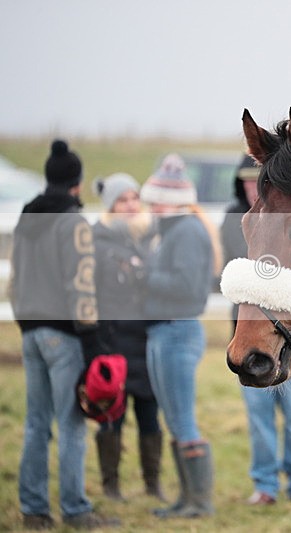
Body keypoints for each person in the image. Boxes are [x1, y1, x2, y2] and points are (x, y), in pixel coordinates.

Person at [10, 140, 120, 530]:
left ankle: (34, 509)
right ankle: (75, 510)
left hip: (30, 333)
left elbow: (16, 279)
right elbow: (81, 285)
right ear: (77, 182)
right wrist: (92, 344)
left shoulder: (27, 217)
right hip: (65, 336)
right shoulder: (73, 221)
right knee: (71, 423)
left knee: (36, 423)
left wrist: (26, 325)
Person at [220, 155, 291, 506]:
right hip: (250, 334)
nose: (251, 188)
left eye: (256, 182)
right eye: (246, 182)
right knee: (259, 418)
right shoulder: (237, 220)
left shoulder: (284, 221)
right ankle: (264, 484)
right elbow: (239, 271)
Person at [139, 153, 222, 519]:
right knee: (174, 418)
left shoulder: (185, 231)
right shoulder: (172, 230)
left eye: (157, 200)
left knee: (182, 419)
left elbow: (187, 287)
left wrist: (140, 273)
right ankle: (187, 499)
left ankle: (199, 502)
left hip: (177, 331)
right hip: (165, 330)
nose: (152, 206)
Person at [91, 173, 164, 501]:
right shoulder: (97, 242)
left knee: (150, 415)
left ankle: (153, 484)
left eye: (135, 197)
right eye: (123, 200)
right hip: (114, 342)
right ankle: (111, 486)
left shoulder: (149, 237)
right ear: (111, 206)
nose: (132, 205)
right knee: (112, 417)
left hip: (146, 340)